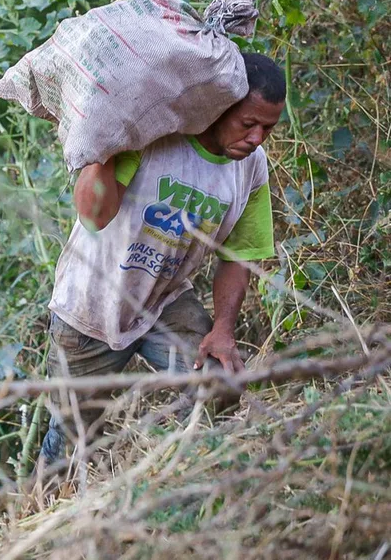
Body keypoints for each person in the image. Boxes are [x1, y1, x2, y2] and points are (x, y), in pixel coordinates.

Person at [40, 52, 287, 466]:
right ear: (219, 105)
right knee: (71, 442)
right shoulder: (153, 136)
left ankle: (194, 481)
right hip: (91, 303)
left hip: (164, 301)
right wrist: (105, 142)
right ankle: (43, 511)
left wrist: (223, 330)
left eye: (268, 128)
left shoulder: (251, 169)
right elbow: (93, 216)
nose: (258, 138)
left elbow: (239, 257)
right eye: (249, 124)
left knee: (220, 385)